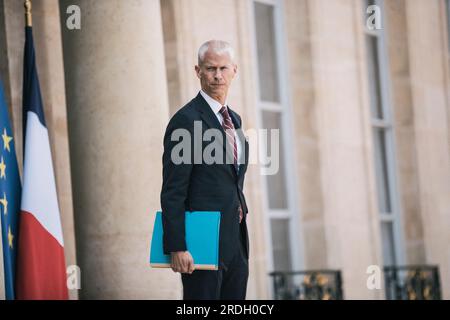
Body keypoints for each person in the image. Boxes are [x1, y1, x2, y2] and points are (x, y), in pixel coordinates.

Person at [160, 40, 249, 300]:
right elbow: (173, 190)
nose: (217, 75)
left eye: (223, 68)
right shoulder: (185, 121)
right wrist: (177, 246)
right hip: (202, 243)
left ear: (235, 70)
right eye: (210, 68)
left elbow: (232, 180)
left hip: (235, 241)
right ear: (198, 71)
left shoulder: (235, 119)